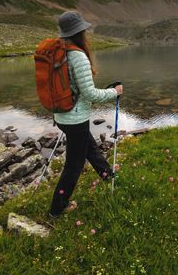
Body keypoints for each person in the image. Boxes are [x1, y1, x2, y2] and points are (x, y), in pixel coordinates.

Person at [49, 11, 123, 218]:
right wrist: (113, 92)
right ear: (80, 32)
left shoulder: (58, 51)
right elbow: (89, 94)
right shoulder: (77, 56)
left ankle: (107, 174)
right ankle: (57, 208)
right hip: (75, 119)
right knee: (74, 165)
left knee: (89, 146)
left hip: (61, 116)